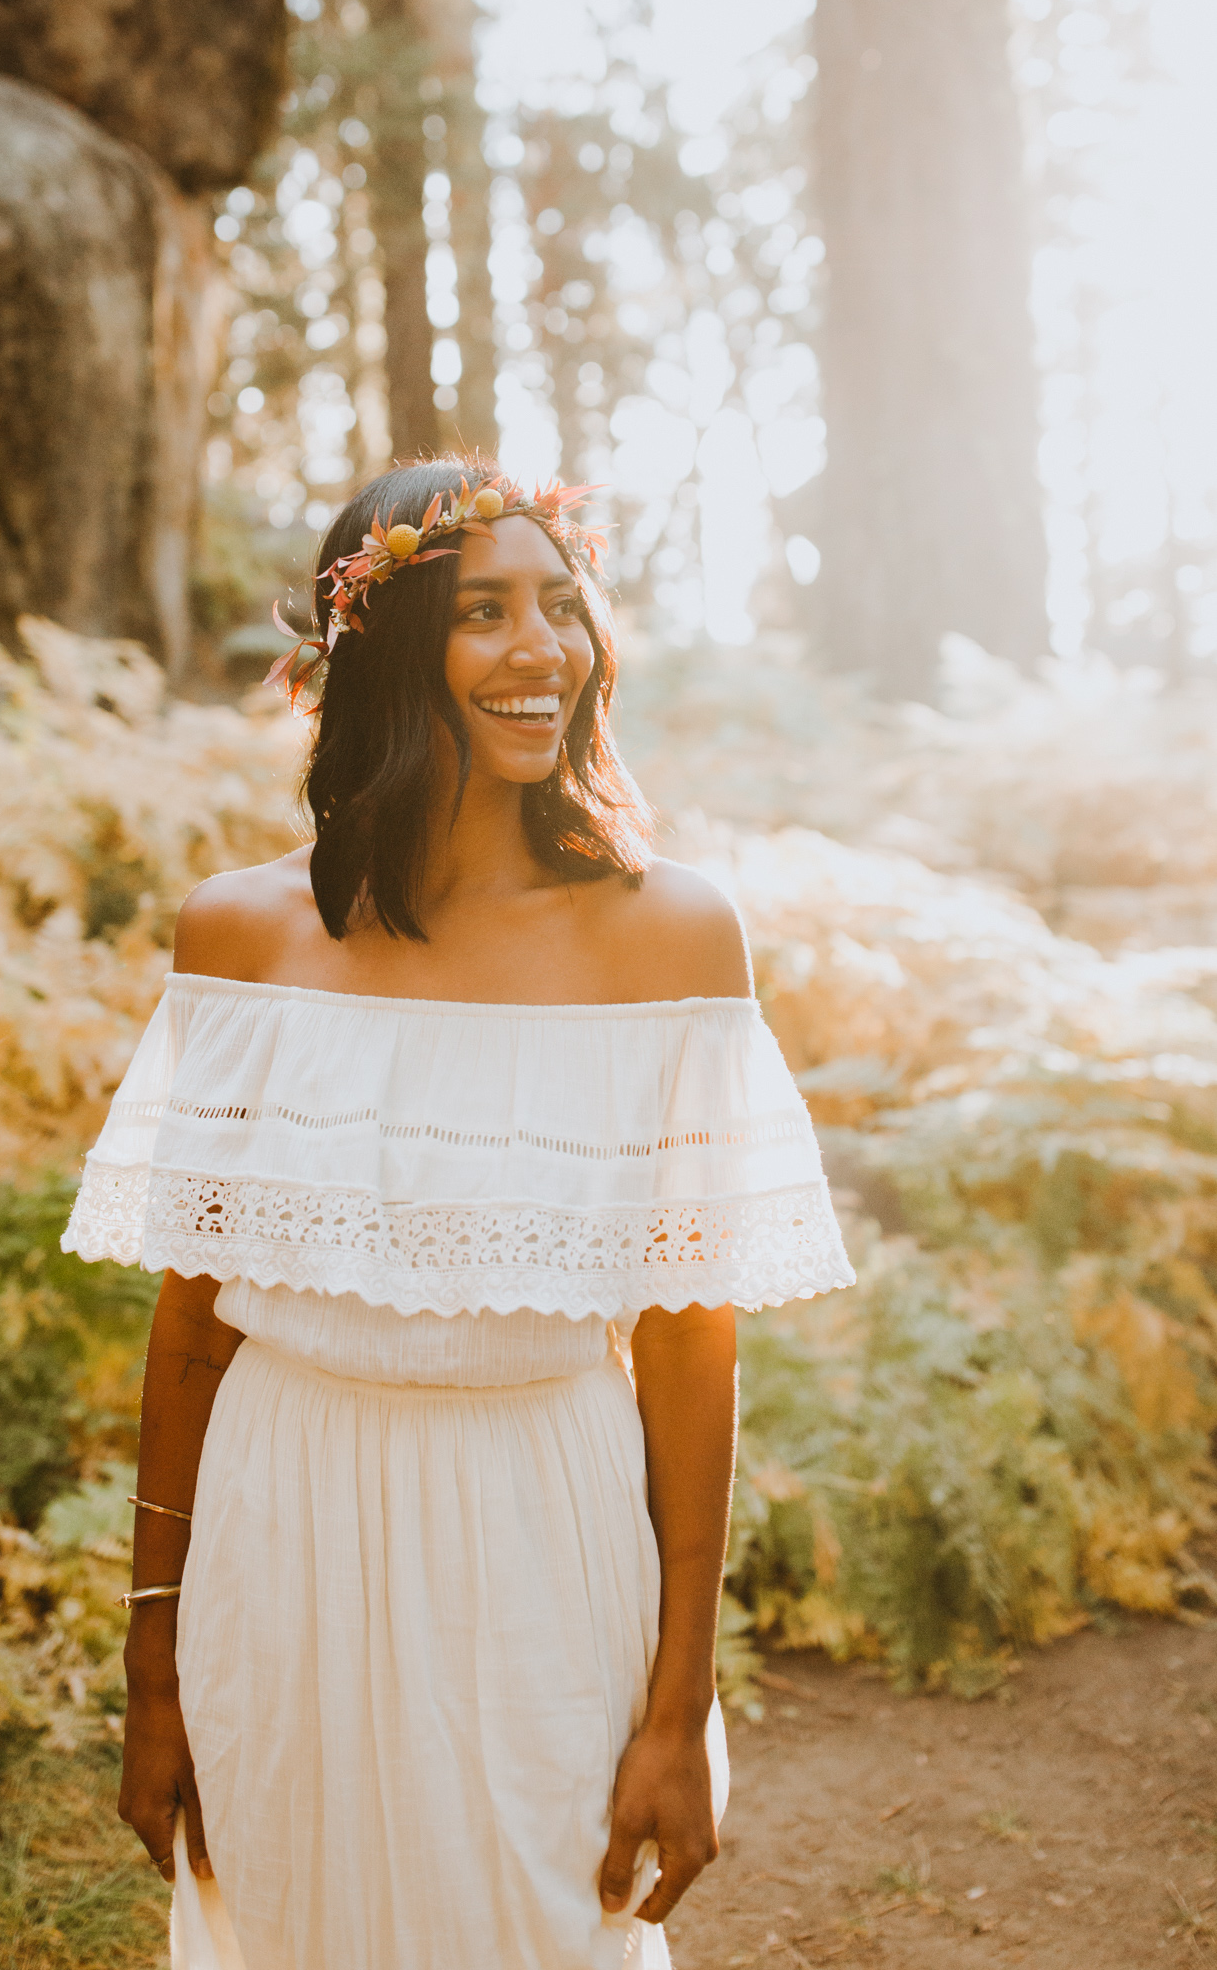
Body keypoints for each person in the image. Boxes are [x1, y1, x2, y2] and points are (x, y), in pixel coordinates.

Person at [62, 459, 853, 1970]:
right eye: (482, 610)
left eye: (560, 604)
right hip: (279, 1524)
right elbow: (189, 1340)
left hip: (542, 1526)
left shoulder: (673, 937)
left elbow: (690, 1352)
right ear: (383, 640)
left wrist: (679, 1706)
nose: (540, 649)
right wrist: (152, 1672)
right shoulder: (240, 933)